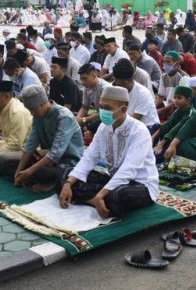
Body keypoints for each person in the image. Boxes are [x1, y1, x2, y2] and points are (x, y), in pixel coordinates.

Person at [58, 86, 159, 219]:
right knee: (65, 173)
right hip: (113, 179)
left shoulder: (139, 131)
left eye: (107, 108)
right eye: (101, 107)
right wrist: (68, 183)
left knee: (119, 196)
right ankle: (96, 202)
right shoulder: (103, 127)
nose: (102, 111)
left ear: (123, 109)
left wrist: (101, 194)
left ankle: (94, 199)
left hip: (139, 184)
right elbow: (89, 157)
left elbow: (129, 169)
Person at [0, 85, 85, 193]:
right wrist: (19, 172)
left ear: (44, 103)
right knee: (7, 164)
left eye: (33, 110)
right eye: (29, 110)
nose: (31, 113)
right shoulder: (38, 116)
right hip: (48, 161)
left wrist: (29, 171)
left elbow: (55, 154)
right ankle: (31, 178)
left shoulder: (64, 117)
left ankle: (51, 182)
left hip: (68, 163)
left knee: (40, 172)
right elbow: (30, 145)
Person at [111, 59, 160, 133]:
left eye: (116, 82)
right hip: (129, 125)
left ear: (125, 82)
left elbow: (134, 120)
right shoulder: (120, 90)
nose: (114, 84)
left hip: (147, 128)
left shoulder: (143, 93)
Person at [154, 86, 196, 157]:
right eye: (175, 97)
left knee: (158, 155)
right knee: (155, 126)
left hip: (183, 139)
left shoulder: (191, 113)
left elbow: (177, 128)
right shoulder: (178, 110)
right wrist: (152, 137)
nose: (175, 100)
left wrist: (161, 144)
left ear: (188, 100)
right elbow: (168, 124)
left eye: (179, 98)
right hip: (171, 136)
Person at [76, 63, 105, 135]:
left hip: (107, 117)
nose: (83, 82)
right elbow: (84, 108)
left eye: (85, 79)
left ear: (94, 75)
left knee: (92, 126)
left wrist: (84, 120)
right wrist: (78, 119)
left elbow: (104, 112)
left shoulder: (105, 88)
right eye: (81, 79)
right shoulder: (86, 87)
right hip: (96, 114)